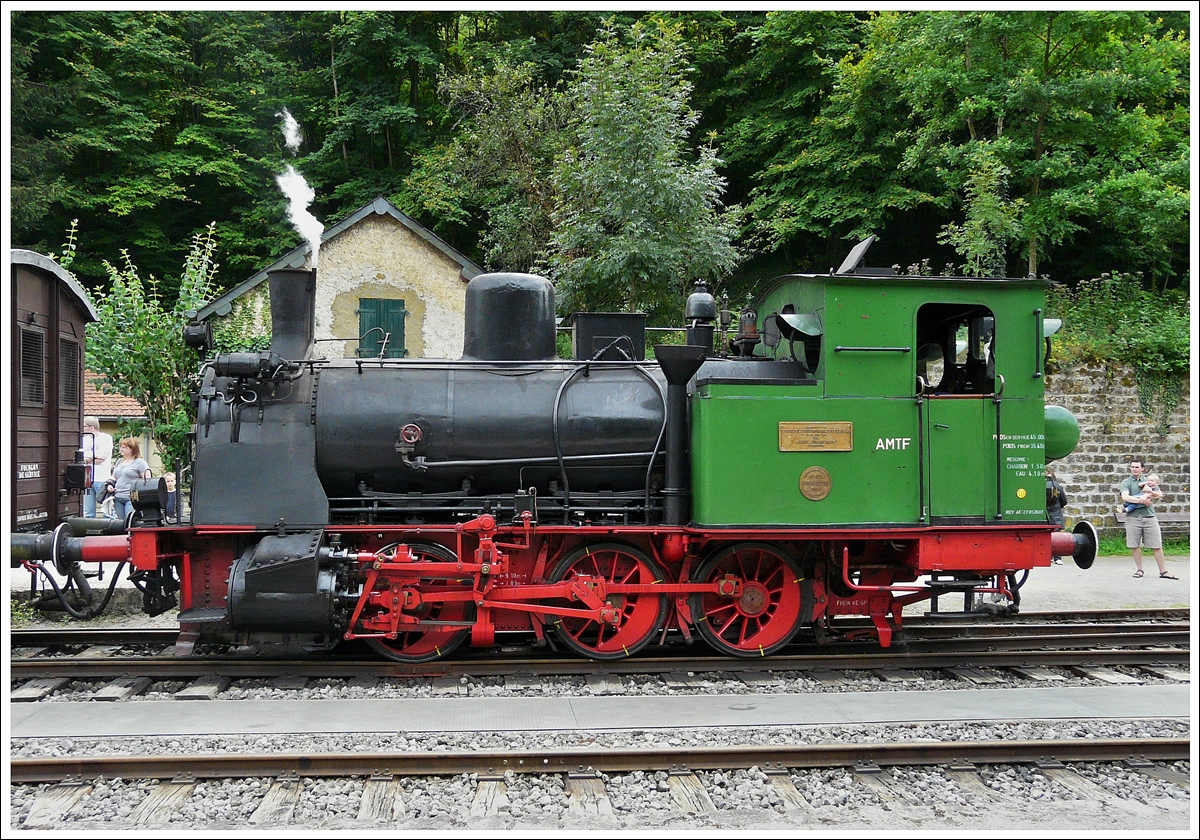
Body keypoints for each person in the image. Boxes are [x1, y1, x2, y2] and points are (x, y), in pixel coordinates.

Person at [1119, 459, 1175, 579]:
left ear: (1142, 469)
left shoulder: (1149, 480)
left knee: (1156, 545)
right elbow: (1125, 497)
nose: (1134, 469)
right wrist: (1141, 500)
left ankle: (1163, 571)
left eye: (1137, 467)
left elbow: (1159, 494)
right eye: (1132, 467)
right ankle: (1139, 570)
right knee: (1134, 545)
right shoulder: (1126, 482)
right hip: (1133, 517)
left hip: (1149, 516)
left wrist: (1151, 498)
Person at [110, 437, 152, 521]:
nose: (121, 449)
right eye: (121, 447)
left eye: (124, 447)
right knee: (121, 523)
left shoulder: (140, 463)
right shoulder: (119, 462)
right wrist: (110, 485)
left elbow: (147, 480)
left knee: (130, 520)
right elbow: (114, 477)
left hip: (131, 498)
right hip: (118, 497)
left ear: (132, 449)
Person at [81, 417, 113, 518]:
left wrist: (87, 459)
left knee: (107, 509)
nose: (82, 428)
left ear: (92, 427)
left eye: (84, 426)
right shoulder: (83, 440)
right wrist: (91, 458)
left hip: (102, 479)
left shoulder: (106, 438)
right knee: (87, 512)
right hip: (87, 479)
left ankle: (109, 531)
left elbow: (101, 458)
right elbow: (81, 457)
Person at [1046, 467, 1068, 565]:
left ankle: (1049, 556)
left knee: (1047, 536)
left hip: (1046, 516)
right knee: (1057, 536)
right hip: (1056, 516)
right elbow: (1064, 501)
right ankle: (1057, 557)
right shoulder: (1059, 487)